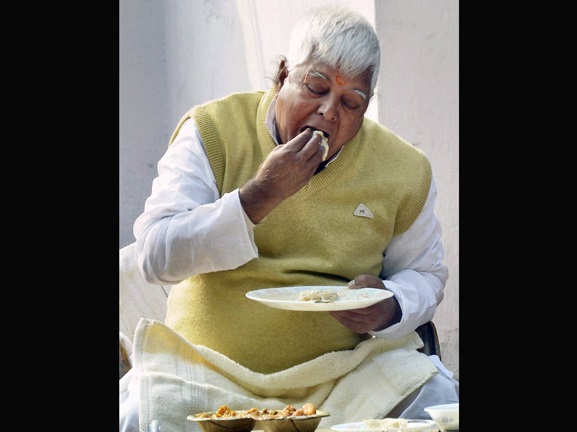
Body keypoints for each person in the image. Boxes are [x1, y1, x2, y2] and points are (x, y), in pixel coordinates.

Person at [119, 6, 458, 432]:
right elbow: (154, 255)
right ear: (282, 76)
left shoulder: (403, 168)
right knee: (139, 416)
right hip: (206, 368)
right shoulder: (212, 130)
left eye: (351, 102)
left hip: (344, 375)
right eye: (316, 87)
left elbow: (424, 273)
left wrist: (391, 305)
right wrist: (257, 197)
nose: (329, 112)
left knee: (438, 401)